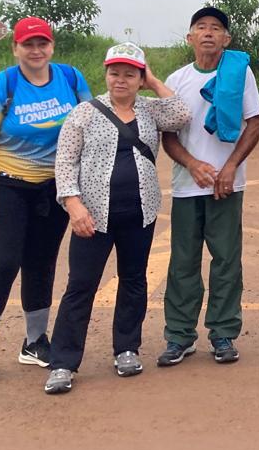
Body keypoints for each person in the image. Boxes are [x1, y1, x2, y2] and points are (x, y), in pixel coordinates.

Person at [44, 43, 190, 394]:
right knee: (80, 286)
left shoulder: (151, 110)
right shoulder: (84, 113)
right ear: (105, 75)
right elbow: (65, 163)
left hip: (140, 211)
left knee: (134, 280)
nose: (120, 80)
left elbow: (182, 114)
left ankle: (127, 348)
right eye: (115, 73)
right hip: (92, 216)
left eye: (130, 74)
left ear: (140, 77)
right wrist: (74, 205)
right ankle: (63, 362)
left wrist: (154, 82)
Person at [0, 17, 93, 386]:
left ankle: (35, 342)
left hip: (52, 187)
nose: (36, 51)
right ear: (15, 48)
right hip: (5, 186)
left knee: (41, 264)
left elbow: (88, 122)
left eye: (42, 44)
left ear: (52, 46)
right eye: (28, 45)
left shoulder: (70, 78)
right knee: (2, 264)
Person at [157, 6, 259, 367]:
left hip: (227, 185)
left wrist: (230, 167)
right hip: (188, 187)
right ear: (189, 37)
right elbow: (168, 137)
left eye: (216, 28)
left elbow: (255, 123)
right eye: (200, 27)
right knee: (183, 263)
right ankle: (180, 336)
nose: (208, 33)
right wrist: (193, 164)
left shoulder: (239, 73)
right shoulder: (177, 80)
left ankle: (222, 333)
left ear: (226, 39)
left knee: (226, 261)